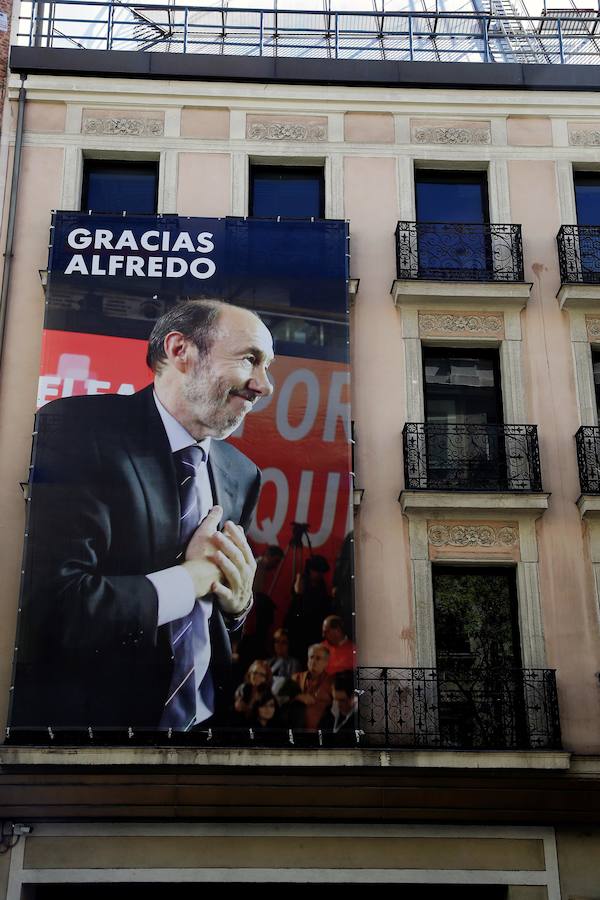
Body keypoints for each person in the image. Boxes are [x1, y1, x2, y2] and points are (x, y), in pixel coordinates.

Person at [11, 298, 274, 731]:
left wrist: (238, 604)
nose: (263, 385)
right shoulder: (78, 430)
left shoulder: (242, 474)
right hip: (94, 739)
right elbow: (56, 608)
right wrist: (192, 578)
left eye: (269, 367)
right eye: (250, 360)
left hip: (204, 731)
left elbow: (214, 622)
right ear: (179, 351)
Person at [291, 643, 333, 732]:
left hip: (320, 731)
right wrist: (296, 696)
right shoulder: (296, 678)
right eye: (311, 657)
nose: (313, 661)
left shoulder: (332, 682)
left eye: (318, 658)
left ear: (326, 663)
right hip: (296, 730)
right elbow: (281, 697)